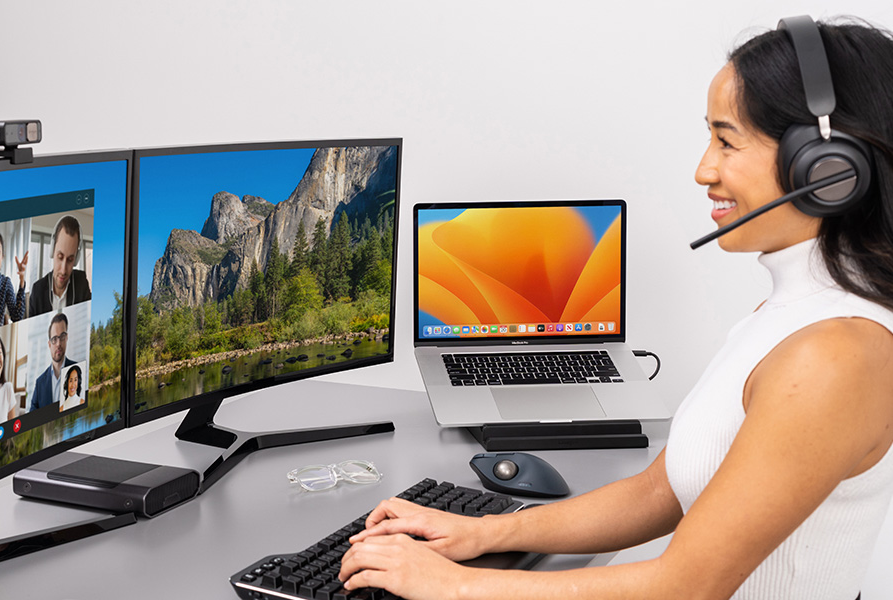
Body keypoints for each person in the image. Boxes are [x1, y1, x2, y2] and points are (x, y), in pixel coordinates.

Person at [338, 18, 893, 600]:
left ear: (828, 169)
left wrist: (452, 586)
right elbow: (662, 492)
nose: (704, 170)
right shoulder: (789, 315)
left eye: (727, 142)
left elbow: (684, 585)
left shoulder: (835, 354)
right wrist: (485, 533)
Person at [29, 215, 91, 317]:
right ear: (52, 250)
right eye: (60, 257)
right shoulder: (37, 291)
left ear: (76, 259)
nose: (63, 270)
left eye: (70, 260)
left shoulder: (81, 283)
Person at [29, 312, 76, 412]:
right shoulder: (39, 383)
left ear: (66, 338)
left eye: (62, 336)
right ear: (49, 344)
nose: (58, 344)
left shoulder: (78, 370)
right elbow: (32, 417)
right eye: (54, 339)